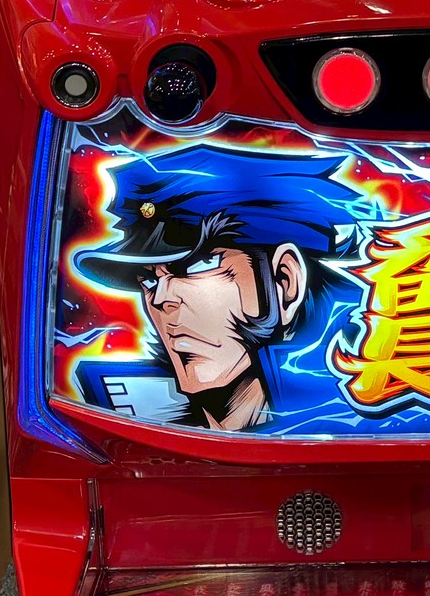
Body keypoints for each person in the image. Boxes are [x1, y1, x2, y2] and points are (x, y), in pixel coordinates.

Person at [70, 145, 368, 432]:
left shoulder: (357, 417)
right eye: (149, 280)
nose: (161, 299)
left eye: (198, 265)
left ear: (285, 280)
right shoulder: (115, 407)